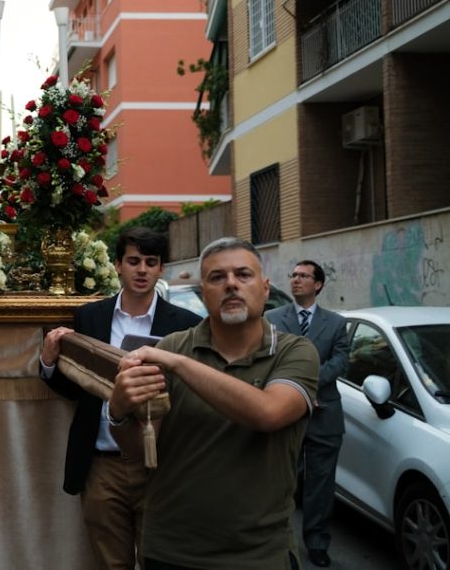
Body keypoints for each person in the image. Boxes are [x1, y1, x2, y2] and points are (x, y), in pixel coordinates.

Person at [110, 237, 320, 569]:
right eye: (217, 277)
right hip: (171, 551)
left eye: (243, 275)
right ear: (203, 293)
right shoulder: (173, 345)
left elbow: (268, 412)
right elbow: (141, 451)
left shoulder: (295, 352)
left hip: (259, 554)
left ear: (265, 288)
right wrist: (118, 412)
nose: (232, 284)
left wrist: (178, 364)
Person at [39, 227, 202, 569]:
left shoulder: (186, 325)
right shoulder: (89, 316)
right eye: (133, 261)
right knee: (110, 563)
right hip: (101, 465)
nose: (141, 269)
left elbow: (191, 391)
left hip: (159, 465)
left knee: (160, 560)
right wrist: (48, 362)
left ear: (162, 269)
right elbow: (78, 388)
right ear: (117, 265)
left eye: (150, 262)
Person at [266, 260, 349, 568]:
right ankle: (278, 541)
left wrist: (310, 388)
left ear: (318, 285)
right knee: (279, 481)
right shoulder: (272, 318)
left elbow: (341, 361)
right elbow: (267, 358)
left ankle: (316, 541)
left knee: (320, 485)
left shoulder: (337, 323)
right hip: (283, 411)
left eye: (303, 276)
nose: (296, 280)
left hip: (324, 415)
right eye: (294, 275)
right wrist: (296, 392)